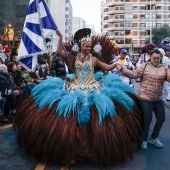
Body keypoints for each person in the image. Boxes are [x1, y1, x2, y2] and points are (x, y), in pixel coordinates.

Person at [13, 28, 143, 167]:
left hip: (92, 86)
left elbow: (106, 66)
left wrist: (116, 65)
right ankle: (66, 147)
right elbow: (60, 52)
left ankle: (93, 148)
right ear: (81, 46)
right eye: (87, 46)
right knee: (66, 113)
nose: (89, 48)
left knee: (92, 115)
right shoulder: (74, 57)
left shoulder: (94, 59)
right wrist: (61, 38)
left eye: (90, 47)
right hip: (74, 86)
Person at [116, 49, 170, 149]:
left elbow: (169, 79)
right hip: (145, 97)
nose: (156, 60)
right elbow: (134, 74)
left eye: (158, 58)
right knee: (147, 119)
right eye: (154, 58)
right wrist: (122, 69)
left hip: (158, 98)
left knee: (161, 118)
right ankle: (144, 139)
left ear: (161, 58)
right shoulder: (144, 66)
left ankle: (153, 138)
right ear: (151, 57)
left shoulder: (164, 68)